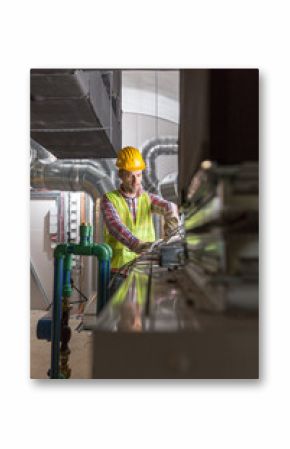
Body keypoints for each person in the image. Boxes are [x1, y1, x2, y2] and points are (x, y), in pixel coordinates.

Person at [101, 146, 180, 297]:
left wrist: (172, 226)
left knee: (142, 316)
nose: (136, 181)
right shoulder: (109, 199)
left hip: (145, 269)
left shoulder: (147, 198)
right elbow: (115, 227)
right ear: (121, 175)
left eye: (139, 175)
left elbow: (168, 206)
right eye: (131, 176)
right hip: (119, 273)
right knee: (118, 316)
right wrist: (137, 244)